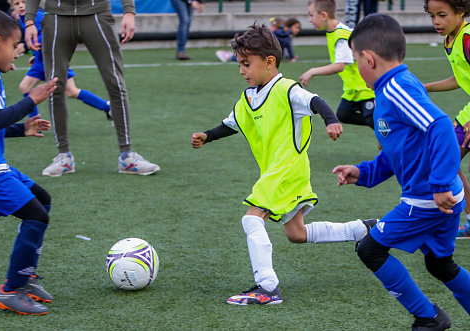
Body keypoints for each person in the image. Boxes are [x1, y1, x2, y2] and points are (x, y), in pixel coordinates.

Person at [192, 24, 377, 306]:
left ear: (269, 62)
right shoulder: (248, 97)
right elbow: (230, 124)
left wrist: (332, 121)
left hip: (285, 168)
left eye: (246, 64)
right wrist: (207, 136)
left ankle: (267, 287)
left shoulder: (286, 89)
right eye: (239, 64)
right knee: (296, 234)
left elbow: (316, 101)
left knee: (252, 218)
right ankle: (361, 230)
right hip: (281, 172)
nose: (242, 71)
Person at [333, 14, 470, 329]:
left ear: (369, 58)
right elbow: (401, 150)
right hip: (441, 194)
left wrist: (438, 184)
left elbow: (440, 128)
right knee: (440, 264)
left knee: (370, 249)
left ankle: (429, 318)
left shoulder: (396, 89)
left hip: (428, 198)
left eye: (356, 61)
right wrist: (364, 172)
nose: (356, 68)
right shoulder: (393, 87)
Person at [24, 0, 160, 177]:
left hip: (97, 13)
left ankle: (127, 156)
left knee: (116, 84)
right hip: (57, 17)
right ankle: (64, 156)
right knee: (54, 87)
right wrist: (29, 21)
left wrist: (129, 12)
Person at [0, 8, 58, 315]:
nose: (17, 57)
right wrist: (31, 100)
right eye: (14, 48)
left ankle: (24, 276)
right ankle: (11, 289)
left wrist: (22, 128)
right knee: (36, 214)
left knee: (41, 201)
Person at [10, 0, 112, 120]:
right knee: (25, 87)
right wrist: (36, 54)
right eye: (17, 3)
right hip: (41, 63)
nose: (21, 5)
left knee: (71, 92)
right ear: (12, 7)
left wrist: (26, 47)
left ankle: (107, 107)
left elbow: (52, 33)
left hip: (55, 60)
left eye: (24, 2)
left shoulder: (37, 16)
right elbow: (38, 38)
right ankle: (35, 122)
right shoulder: (24, 20)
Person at [423, 0, 470, 238]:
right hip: (467, 113)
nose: (436, 22)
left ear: (461, 12)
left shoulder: (468, 38)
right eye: (432, 16)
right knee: (444, 158)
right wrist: (427, 87)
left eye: (442, 15)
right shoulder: (450, 39)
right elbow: (460, 77)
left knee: (445, 159)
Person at [300, 0, 375, 129]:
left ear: (323, 15)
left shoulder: (341, 36)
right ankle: (383, 126)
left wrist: (312, 71)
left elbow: (339, 66)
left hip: (365, 88)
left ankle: (387, 129)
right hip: (352, 90)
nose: (310, 20)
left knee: (372, 120)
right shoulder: (336, 32)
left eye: (312, 15)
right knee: (343, 114)